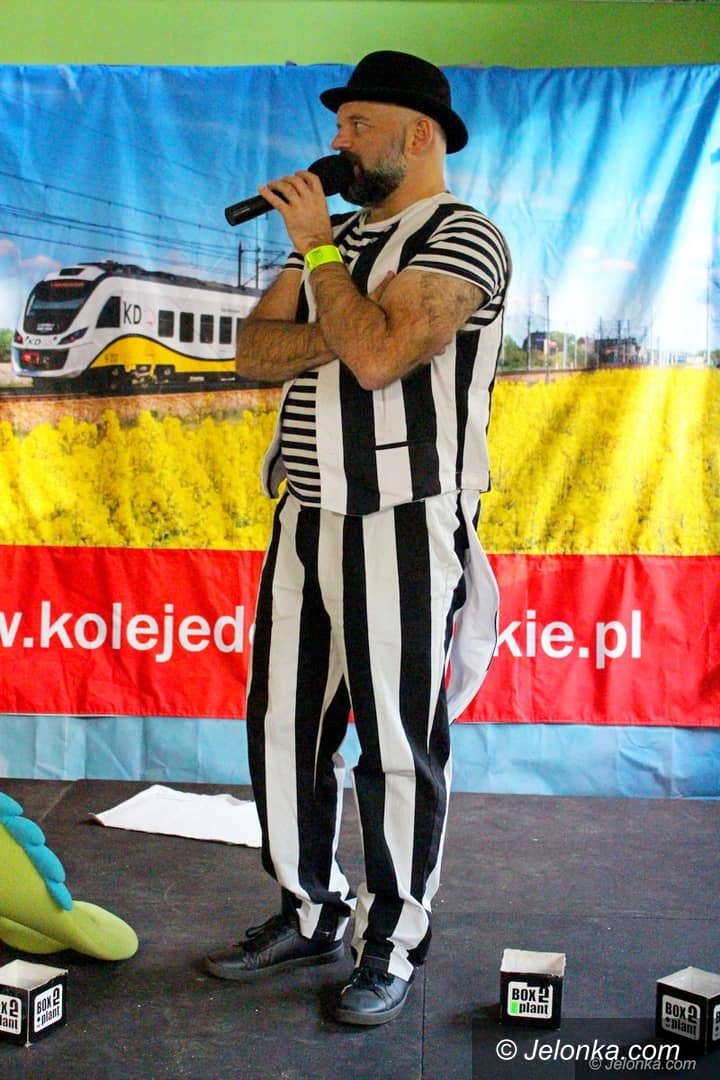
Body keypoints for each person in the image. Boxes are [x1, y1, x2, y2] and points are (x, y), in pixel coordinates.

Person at [205, 50, 510, 1027]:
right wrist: (333, 289)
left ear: (419, 136)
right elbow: (254, 354)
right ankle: (310, 909)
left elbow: (379, 357)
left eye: (357, 124)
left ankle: (395, 937)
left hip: (402, 517)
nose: (335, 141)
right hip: (304, 510)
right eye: (337, 124)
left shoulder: (463, 236)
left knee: (394, 742)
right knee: (284, 724)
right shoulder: (332, 241)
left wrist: (323, 270)